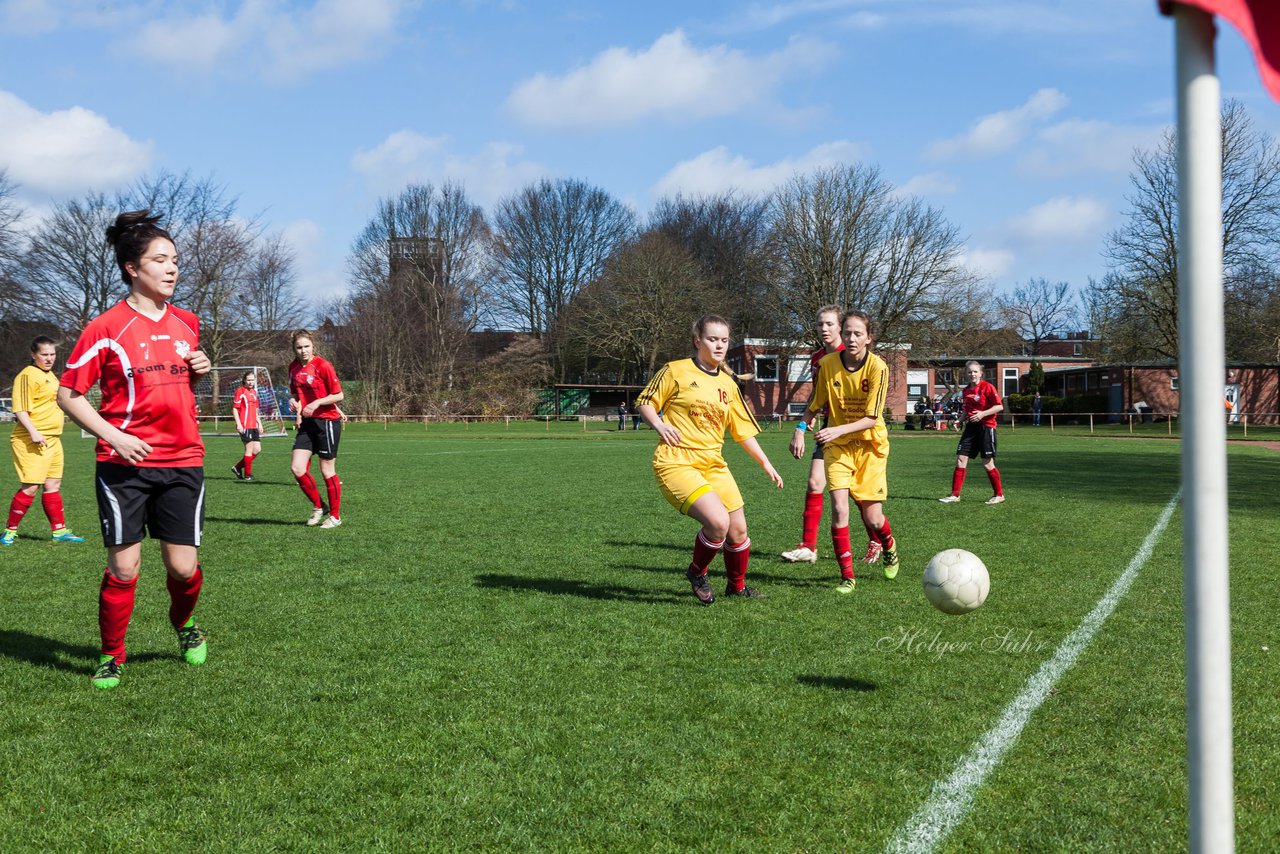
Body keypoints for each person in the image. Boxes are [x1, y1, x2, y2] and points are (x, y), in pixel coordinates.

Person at [57, 210, 211, 690]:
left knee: (182, 567)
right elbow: (68, 393)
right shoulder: (104, 327)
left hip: (184, 459)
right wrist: (114, 436)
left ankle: (184, 625)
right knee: (125, 567)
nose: (172, 269)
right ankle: (111, 655)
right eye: (160, 260)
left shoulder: (189, 322)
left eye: (176, 260)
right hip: (124, 465)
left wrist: (202, 371)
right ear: (132, 268)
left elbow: (182, 385)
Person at [636, 315, 783, 605]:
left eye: (724, 340)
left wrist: (767, 464)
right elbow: (645, 402)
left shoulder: (728, 385)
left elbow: (742, 433)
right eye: (712, 339)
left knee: (738, 529)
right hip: (677, 462)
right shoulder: (675, 370)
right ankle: (697, 572)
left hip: (713, 464)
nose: (719, 345)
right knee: (718, 523)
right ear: (697, 341)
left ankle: (736, 587)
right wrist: (660, 424)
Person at [792, 310, 897, 592]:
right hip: (838, 446)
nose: (851, 338)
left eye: (857, 334)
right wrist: (801, 427)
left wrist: (836, 429)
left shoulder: (879, 368)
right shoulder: (827, 363)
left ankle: (888, 544)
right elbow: (816, 402)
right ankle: (848, 577)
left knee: (873, 517)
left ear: (868, 339)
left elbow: (872, 418)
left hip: (869, 444)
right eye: (847, 332)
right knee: (839, 508)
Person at [3, 337, 87, 546]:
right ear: (33, 355)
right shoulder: (27, 375)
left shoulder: (49, 375)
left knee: (53, 484)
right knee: (31, 486)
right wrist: (33, 432)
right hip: (33, 439)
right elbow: (20, 409)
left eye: (52, 354)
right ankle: (9, 532)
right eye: (44, 354)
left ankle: (59, 531)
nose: (49, 359)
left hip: (53, 438)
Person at [780, 305, 843, 564]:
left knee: (858, 494)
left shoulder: (851, 354)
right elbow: (817, 398)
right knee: (815, 483)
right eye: (820, 324)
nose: (824, 329)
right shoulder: (817, 358)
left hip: (852, 429)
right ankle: (809, 547)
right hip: (828, 427)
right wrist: (802, 427)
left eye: (829, 324)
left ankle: (878, 542)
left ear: (840, 326)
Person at [288, 329, 345, 528]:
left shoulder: (323, 366)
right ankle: (319, 506)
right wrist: (294, 401)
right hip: (307, 423)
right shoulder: (293, 368)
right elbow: (295, 393)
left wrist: (318, 403)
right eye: (299, 347)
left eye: (306, 346)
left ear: (313, 347)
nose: (303, 351)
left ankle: (335, 516)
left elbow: (338, 395)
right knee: (297, 468)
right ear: (294, 349)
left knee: (326, 469)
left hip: (327, 422)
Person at [939, 361, 1005, 505]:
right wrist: (959, 420)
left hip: (986, 427)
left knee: (987, 463)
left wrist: (982, 414)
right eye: (969, 372)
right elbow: (966, 410)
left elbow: (999, 406)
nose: (972, 374)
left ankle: (999, 495)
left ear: (981, 373)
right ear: (966, 374)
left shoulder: (988, 387)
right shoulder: (966, 390)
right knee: (960, 459)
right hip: (971, 428)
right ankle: (955, 495)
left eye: (975, 371)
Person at [230, 370, 261, 482]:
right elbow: (234, 409)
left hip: (253, 425)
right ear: (244, 380)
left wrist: (259, 423)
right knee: (249, 449)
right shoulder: (240, 391)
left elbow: (255, 410)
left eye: (252, 380)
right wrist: (239, 424)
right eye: (248, 380)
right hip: (245, 425)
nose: (251, 382)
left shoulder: (254, 392)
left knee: (257, 449)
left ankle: (237, 467)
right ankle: (248, 475)